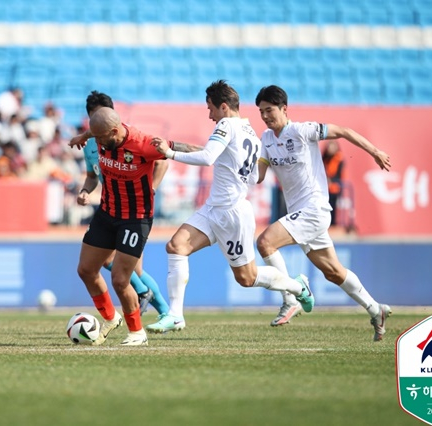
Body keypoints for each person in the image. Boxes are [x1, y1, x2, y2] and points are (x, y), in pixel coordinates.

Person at [146, 80, 314, 334]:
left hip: (232, 214)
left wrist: (170, 154)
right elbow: (247, 174)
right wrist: (174, 145)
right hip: (215, 207)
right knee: (176, 246)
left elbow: (207, 157)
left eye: (210, 108)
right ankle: (175, 315)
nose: (210, 115)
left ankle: (297, 286)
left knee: (246, 278)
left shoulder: (226, 124)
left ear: (223, 107)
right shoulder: (251, 135)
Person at [254, 85, 392, 341]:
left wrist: (375, 152)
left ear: (284, 109)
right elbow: (259, 176)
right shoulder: (266, 139)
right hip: (300, 215)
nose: (264, 116)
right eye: (261, 111)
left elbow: (344, 131)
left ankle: (291, 296)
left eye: (269, 110)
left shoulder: (302, 130)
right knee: (333, 272)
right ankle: (376, 309)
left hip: (314, 210)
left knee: (265, 243)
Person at [69, 107, 167, 346]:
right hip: (107, 212)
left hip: (136, 218)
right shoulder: (101, 136)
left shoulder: (143, 143)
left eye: (101, 138)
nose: (98, 142)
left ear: (114, 131)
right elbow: (95, 134)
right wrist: (84, 136)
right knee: (86, 270)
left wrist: (211, 152)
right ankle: (111, 318)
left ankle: (137, 333)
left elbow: (173, 152)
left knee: (121, 279)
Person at [322, 139, 345, 227]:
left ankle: (332, 225)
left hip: (334, 188)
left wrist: (331, 180)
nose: (330, 148)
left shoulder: (339, 158)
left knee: (332, 208)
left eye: (333, 146)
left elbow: (340, 174)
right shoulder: (324, 157)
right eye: (329, 146)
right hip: (324, 189)